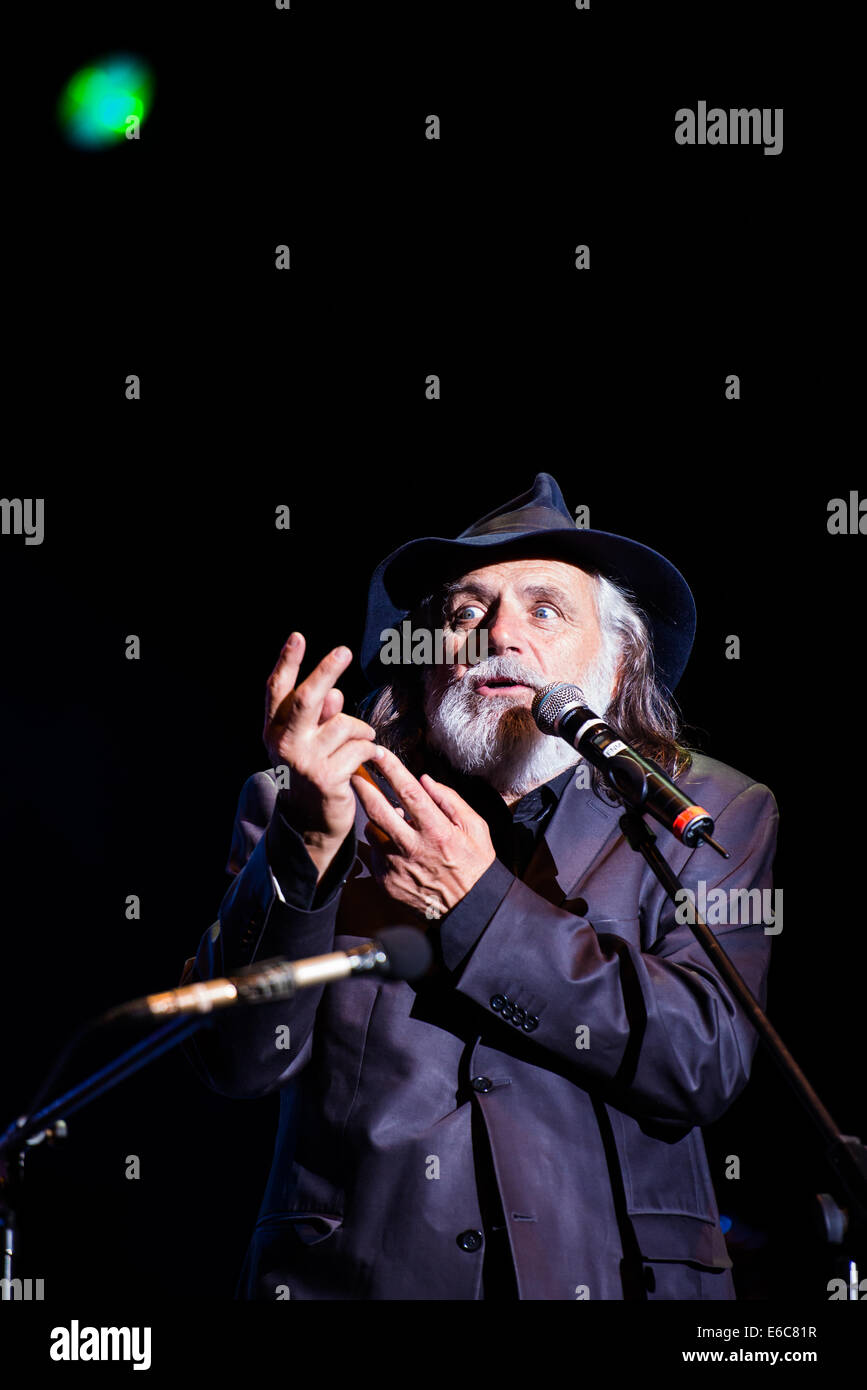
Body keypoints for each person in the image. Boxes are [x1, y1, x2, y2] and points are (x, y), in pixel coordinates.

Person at [181, 473, 778, 1300]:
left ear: (615, 658)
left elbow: (700, 1063)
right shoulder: (317, 805)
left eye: (544, 609)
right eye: (466, 613)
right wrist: (306, 842)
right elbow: (234, 1061)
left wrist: (480, 905)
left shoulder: (702, 809)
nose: (500, 633)